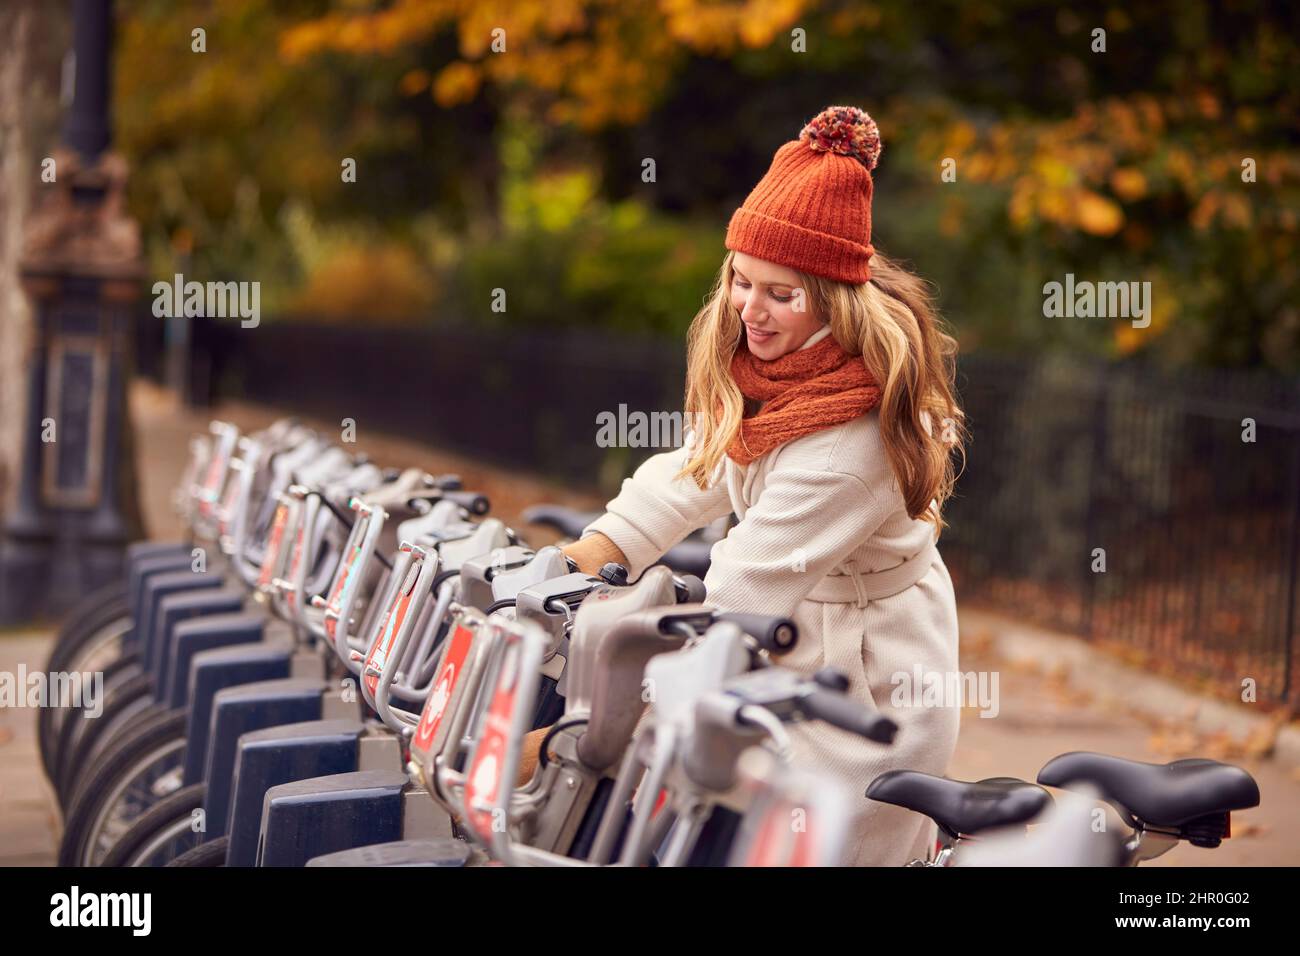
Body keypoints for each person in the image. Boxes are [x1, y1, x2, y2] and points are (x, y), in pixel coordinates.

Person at [541, 105, 967, 866]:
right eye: (742, 280)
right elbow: (694, 468)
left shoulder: (850, 441)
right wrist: (583, 559)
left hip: (864, 689)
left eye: (780, 291)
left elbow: (745, 584)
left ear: (832, 300)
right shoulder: (777, 372)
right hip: (793, 650)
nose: (750, 308)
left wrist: (628, 663)